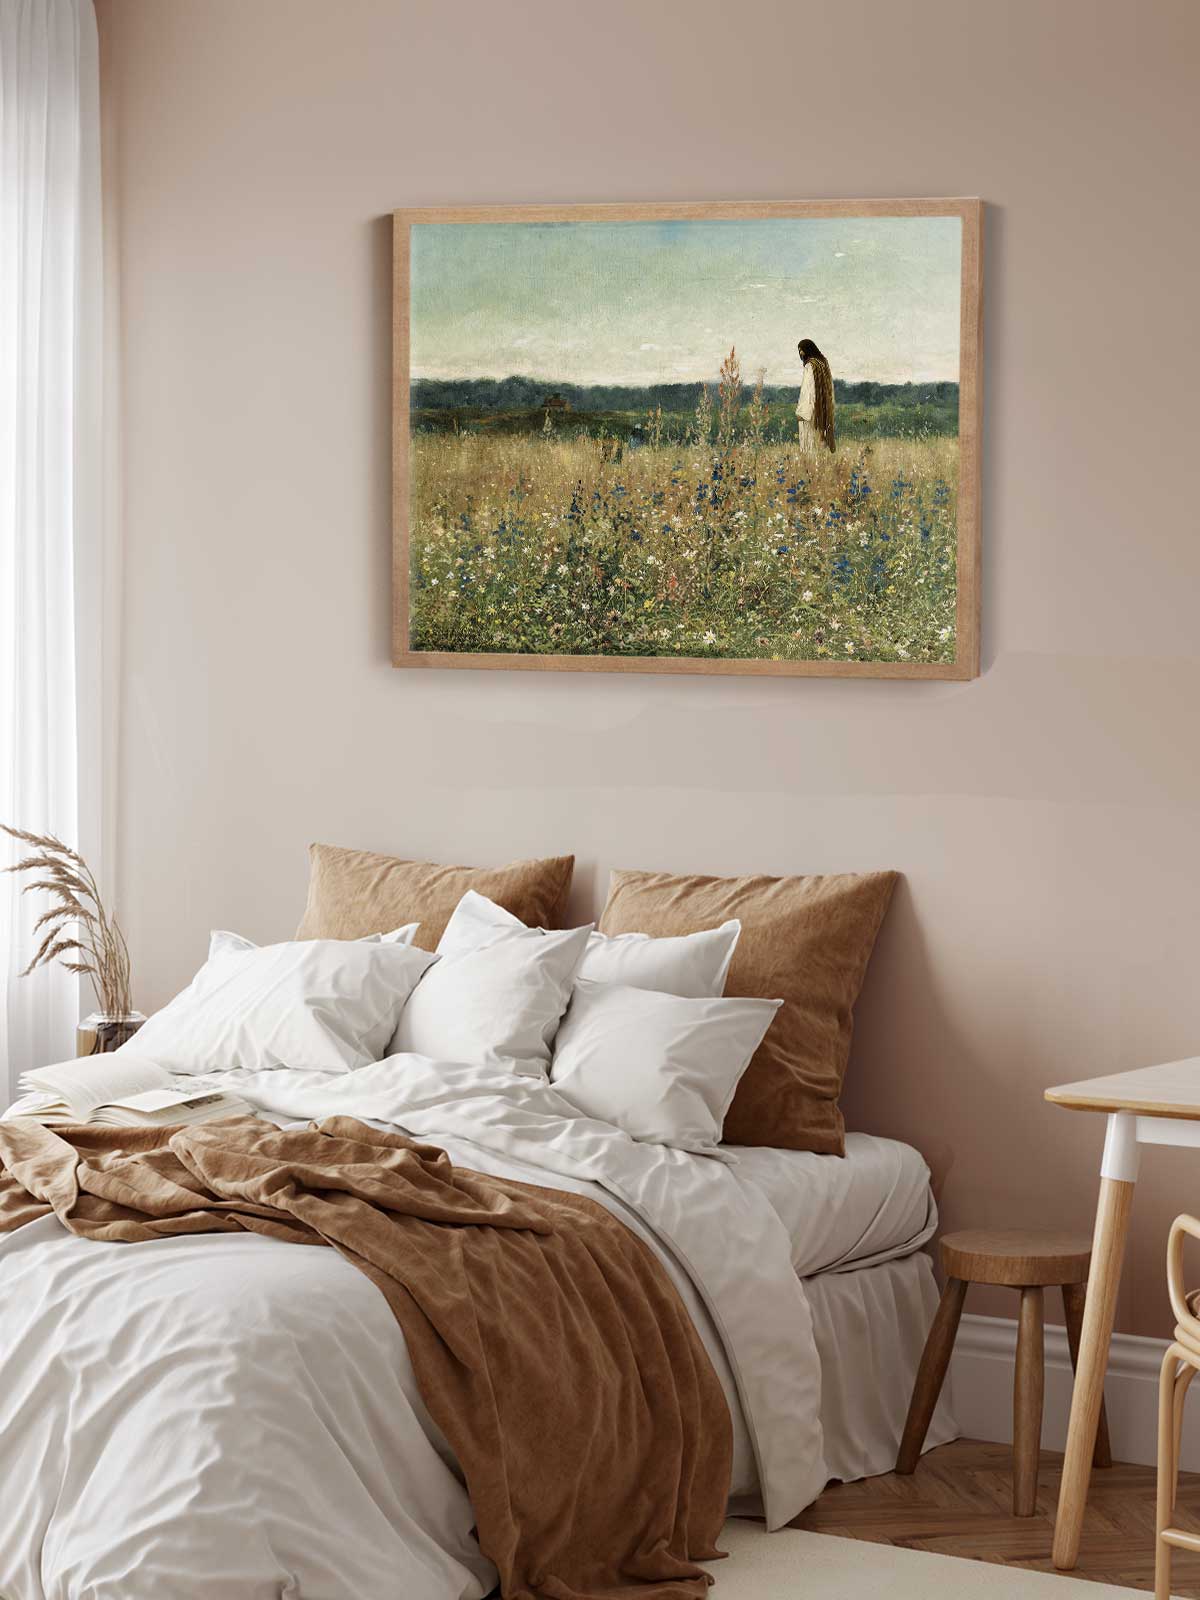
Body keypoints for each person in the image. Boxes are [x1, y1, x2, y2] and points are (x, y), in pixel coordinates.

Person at [796, 339, 836, 453]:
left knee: (809, 446)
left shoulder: (810, 366)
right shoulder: (823, 364)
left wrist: (802, 413)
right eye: (799, 350)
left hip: (810, 413)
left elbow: (808, 391)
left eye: (802, 350)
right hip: (823, 411)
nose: (800, 353)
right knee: (820, 445)